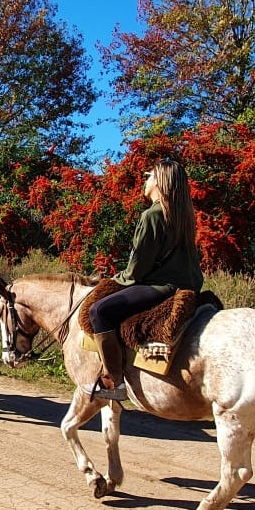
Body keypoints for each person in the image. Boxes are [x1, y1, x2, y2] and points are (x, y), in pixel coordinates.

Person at [87, 159, 203, 400]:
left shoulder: (152, 215)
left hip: (160, 287)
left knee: (99, 311)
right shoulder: (184, 216)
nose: (145, 180)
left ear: (160, 182)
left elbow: (138, 268)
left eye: (149, 176)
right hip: (187, 284)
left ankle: (113, 383)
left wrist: (117, 278)